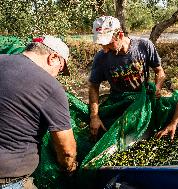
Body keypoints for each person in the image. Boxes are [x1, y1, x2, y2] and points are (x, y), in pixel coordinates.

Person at [0, 36, 77, 188]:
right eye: (60, 70)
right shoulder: (49, 86)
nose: (57, 76)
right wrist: (68, 168)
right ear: (53, 57)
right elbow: (67, 150)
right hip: (8, 178)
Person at [89, 16, 166, 139]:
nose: (104, 49)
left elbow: (159, 71)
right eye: (101, 44)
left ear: (119, 35)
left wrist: (158, 87)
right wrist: (94, 117)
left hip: (144, 99)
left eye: (108, 44)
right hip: (119, 102)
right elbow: (93, 86)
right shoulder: (101, 58)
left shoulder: (144, 46)